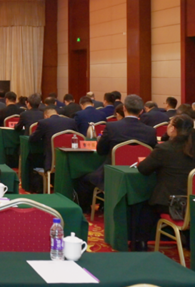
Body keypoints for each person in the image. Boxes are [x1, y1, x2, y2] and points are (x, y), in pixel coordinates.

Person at [76, 95, 158, 208]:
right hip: (140, 175)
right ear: (141, 111)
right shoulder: (150, 131)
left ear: (124, 108)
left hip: (112, 174)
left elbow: (101, 151)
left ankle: (87, 210)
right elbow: (153, 155)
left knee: (83, 180)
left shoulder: (112, 127)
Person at [135, 115, 195, 251]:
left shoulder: (165, 149)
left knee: (145, 205)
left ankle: (140, 243)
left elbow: (143, 169)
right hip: (193, 202)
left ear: (173, 129)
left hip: (173, 204)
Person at [29, 106, 78, 172]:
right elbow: (78, 136)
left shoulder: (44, 122)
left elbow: (33, 138)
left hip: (51, 158)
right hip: (69, 157)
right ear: (57, 114)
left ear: (45, 116)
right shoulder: (71, 121)